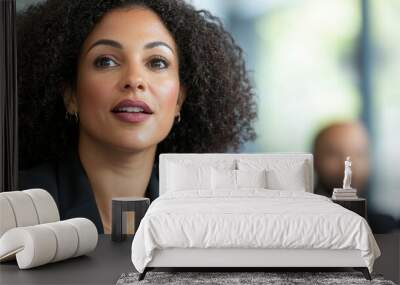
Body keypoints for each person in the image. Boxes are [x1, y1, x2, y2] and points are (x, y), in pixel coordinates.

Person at [17, 0, 257, 233]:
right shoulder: (17, 205)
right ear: (71, 95)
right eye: (106, 61)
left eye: (157, 62)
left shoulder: (202, 216)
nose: (134, 79)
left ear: (179, 100)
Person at [312, 121, 398, 233]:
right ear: (314, 160)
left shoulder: (386, 228)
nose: (351, 165)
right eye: (334, 154)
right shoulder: (298, 222)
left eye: (360, 154)